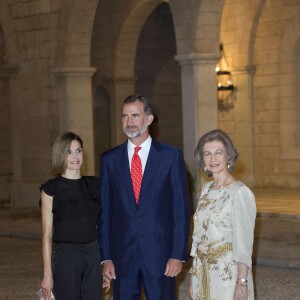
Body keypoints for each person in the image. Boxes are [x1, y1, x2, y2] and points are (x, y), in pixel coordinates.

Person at [98, 94, 190, 300]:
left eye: (135, 116)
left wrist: (177, 255)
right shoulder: (109, 160)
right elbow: (105, 212)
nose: (129, 122)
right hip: (122, 258)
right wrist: (106, 258)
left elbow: (180, 211)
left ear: (149, 119)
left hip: (160, 256)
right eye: (124, 116)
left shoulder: (170, 157)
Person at [39, 131, 110, 300]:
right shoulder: (51, 189)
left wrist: (105, 262)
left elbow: (104, 226)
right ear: (60, 155)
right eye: (69, 152)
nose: (75, 156)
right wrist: (47, 275)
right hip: (66, 257)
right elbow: (46, 235)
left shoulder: (95, 184)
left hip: (93, 254)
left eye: (78, 150)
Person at [189, 129, 256, 300]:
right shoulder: (206, 190)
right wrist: (193, 275)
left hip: (228, 276)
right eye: (207, 154)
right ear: (202, 159)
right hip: (203, 274)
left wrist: (242, 283)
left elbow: (244, 244)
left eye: (218, 153)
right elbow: (198, 237)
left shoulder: (239, 193)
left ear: (228, 156)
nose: (213, 159)